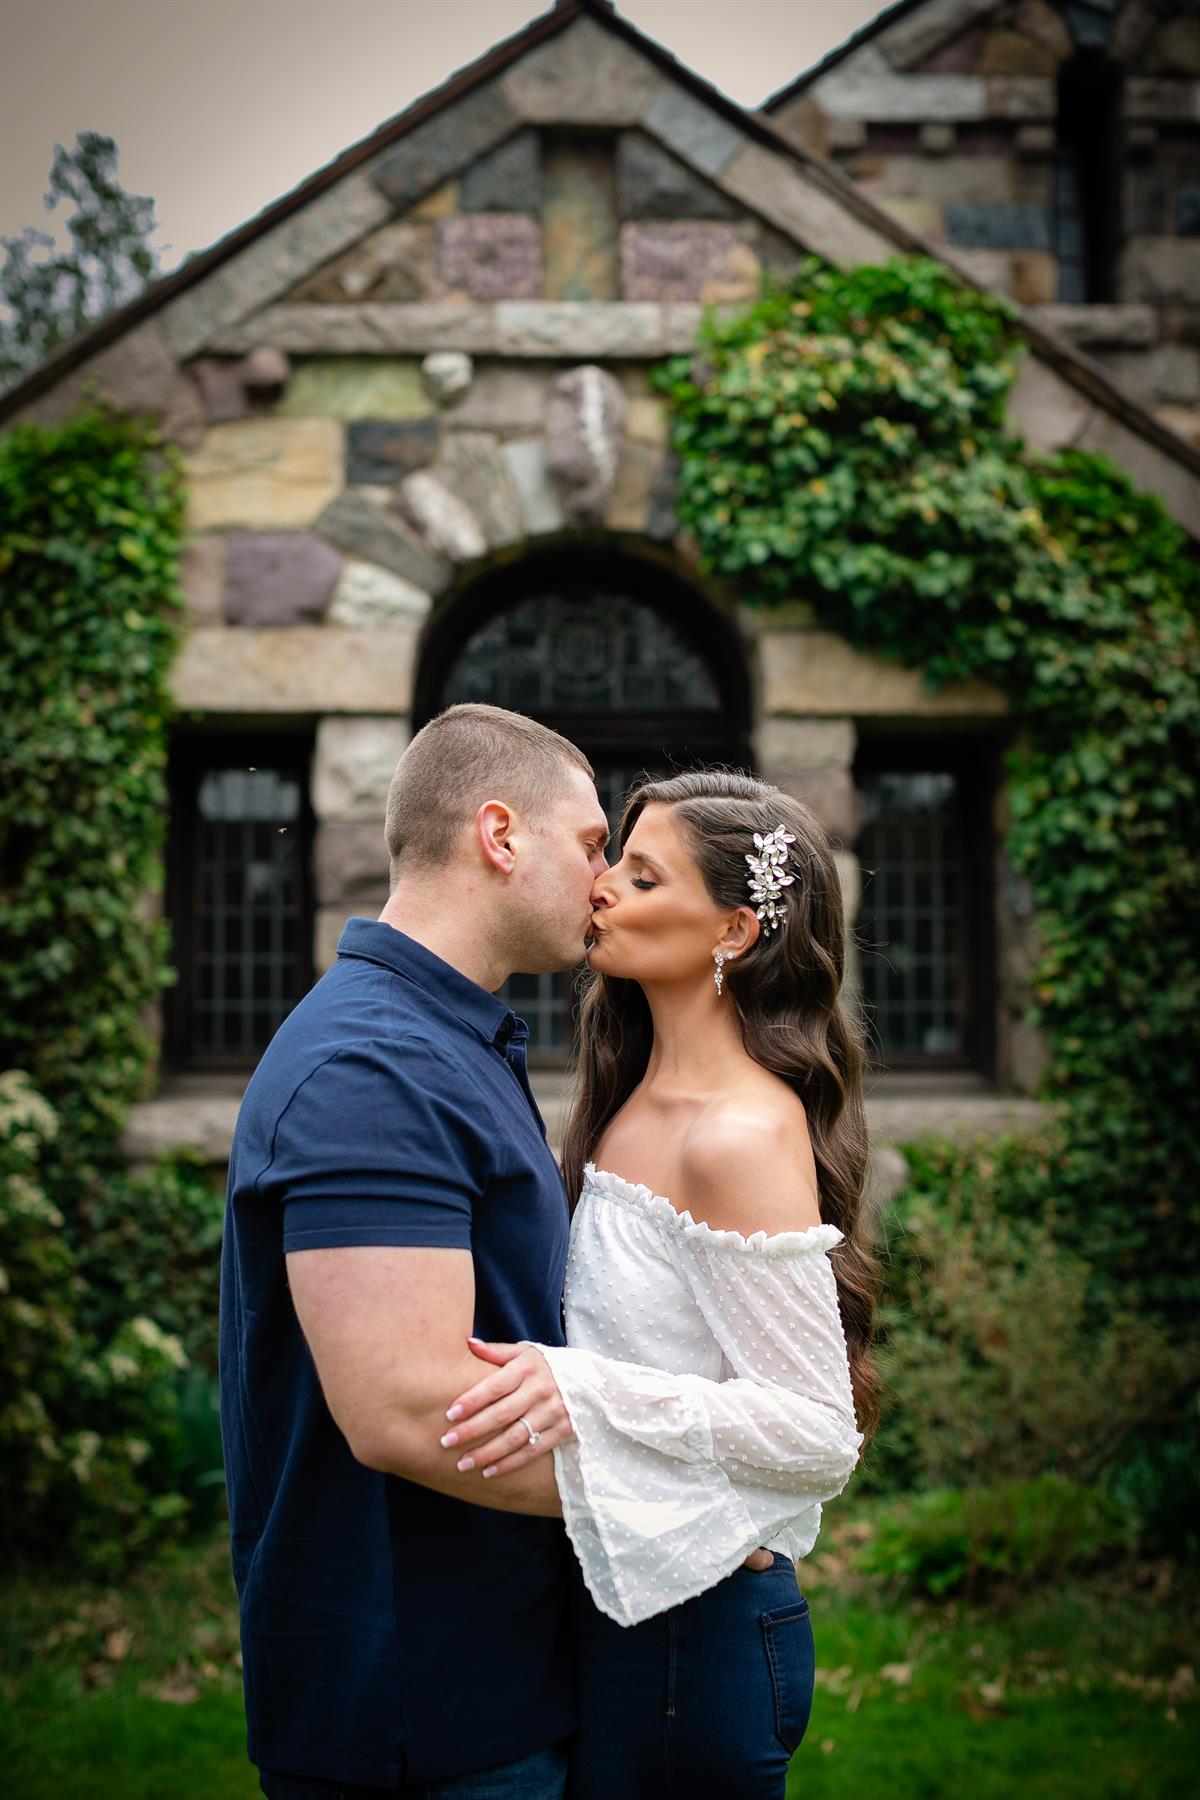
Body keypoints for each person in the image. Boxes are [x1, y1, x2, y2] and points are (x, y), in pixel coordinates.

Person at [435, 770, 878, 1799]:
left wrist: (584, 1391)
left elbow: (818, 1431)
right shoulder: (626, 1094)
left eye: (642, 877)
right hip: (619, 1604)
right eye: (614, 865)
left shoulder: (738, 1133)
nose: (601, 888)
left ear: (733, 931)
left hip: (698, 1642)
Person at [219, 702, 613, 1797]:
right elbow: (405, 1409)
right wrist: (693, 1500)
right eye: (592, 844)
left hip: (490, 1683)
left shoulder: (445, 1034)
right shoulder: (374, 1064)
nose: (606, 881)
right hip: (421, 1718)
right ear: (500, 835)